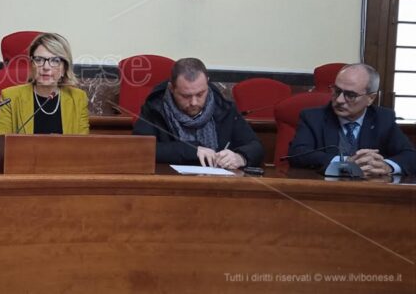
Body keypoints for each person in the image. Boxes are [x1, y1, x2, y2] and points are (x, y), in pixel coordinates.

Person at [132, 58, 263, 168]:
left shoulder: (223, 107)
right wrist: (192, 151)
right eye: (186, 96)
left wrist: (240, 157)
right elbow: (140, 149)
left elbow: (256, 147)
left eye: (200, 94)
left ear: (207, 83)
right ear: (172, 88)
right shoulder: (155, 108)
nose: (194, 102)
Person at [288, 63, 415, 176]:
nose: (339, 100)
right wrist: (345, 162)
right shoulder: (313, 117)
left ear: (370, 98)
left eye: (350, 95)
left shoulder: (383, 118)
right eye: (337, 91)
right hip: (325, 191)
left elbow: (411, 156)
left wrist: (387, 166)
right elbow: (298, 154)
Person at [0, 33, 89, 135]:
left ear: (64, 68)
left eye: (55, 60)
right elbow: (1, 143)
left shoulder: (78, 98)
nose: (46, 67)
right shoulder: (10, 97)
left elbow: (82, 146)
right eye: (39, 60)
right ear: (31, 64)